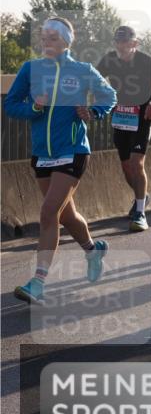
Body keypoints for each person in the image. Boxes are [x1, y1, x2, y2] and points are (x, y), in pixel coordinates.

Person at [7, 17, 116, 303]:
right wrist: (34, 106)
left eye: (53, 37)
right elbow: (10, 105)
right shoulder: (30, 69)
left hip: (73, 150)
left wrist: (93, 112)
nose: (46, 41)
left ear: (67, 41)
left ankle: (38, 282)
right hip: (43, 153)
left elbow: (110, 95)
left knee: (47, 213)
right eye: (44, 36)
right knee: (65, 215)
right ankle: (93, 250)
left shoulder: (82, 70)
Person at [96, 25, 151, 231]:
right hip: (121, 117)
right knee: (126, 166)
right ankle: (142, 195)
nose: (122, 46)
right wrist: (104, 96)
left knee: (136, 162)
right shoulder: (109, 59)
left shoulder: (146, 62)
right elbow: (94, 78)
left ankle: (140, 213)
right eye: (118, 42)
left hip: (142, 118)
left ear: (135, 43)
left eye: (126, 42)